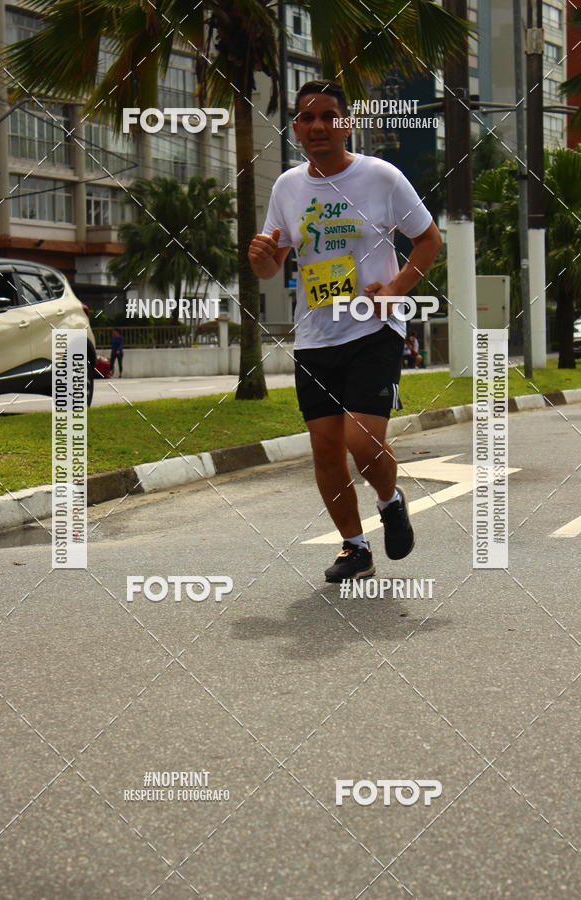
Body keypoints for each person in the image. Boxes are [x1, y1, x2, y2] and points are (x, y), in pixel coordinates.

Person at [248, 80, 442, 582]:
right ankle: (354, 548)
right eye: (308, 118)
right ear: (296, 128)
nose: (318, 127)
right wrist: (264, 259)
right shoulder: (288, 187)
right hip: (314, 336)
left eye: (329, 116)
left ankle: (389, 499)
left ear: (346, 123)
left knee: (362, 440)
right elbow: (273, 266)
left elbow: (428, 240)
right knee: (325, 449)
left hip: (373, 328)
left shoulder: (381, 177)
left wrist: (397, 288)